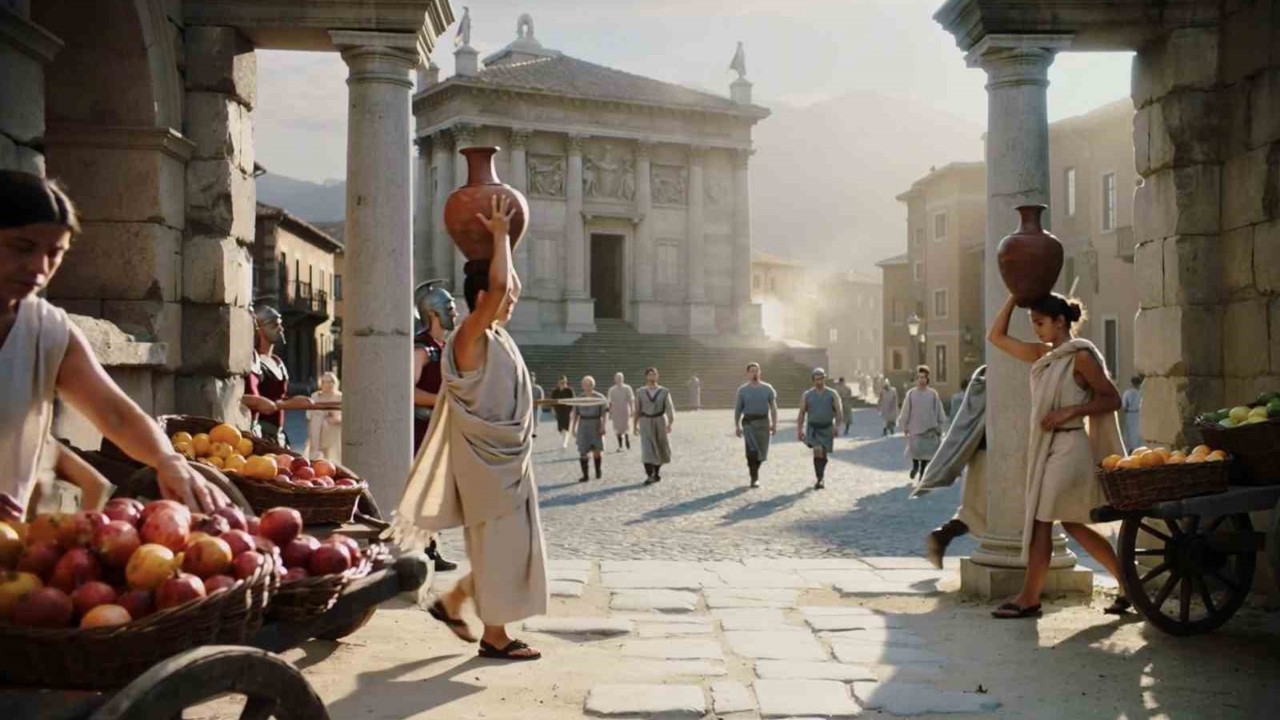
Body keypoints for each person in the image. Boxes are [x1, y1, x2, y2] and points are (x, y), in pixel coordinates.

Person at [0, 170, 223, 520]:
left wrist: (167, 460)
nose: (39, 267)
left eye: (54, 253)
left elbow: (115, 415)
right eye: (22, 247)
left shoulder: (47, 330)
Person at [391, 194, 547, 660]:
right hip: (486, 465)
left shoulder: (496, 336)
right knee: (501, 546)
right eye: (504, 296)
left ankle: (455, 600)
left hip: (507, 460)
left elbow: (505, 284)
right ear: (481, 299)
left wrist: (505, 248)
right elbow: (499, 288)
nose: (512, 299)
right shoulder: (468, 337)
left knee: (510, 547)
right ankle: (494, 637)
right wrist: (499, 236)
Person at [986, 293, 1127, 619]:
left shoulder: (1080, 357)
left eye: (1040, 322)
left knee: (1041, 521)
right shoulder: (1044, 355)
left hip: (1070, 447)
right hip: (1049, 449)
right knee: (1073, 524)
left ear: (1060, 321)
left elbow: (1112, 399)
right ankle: (1127, 583)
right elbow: (996, 337)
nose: (1035, 329)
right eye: (1033, 323)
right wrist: (1014, 296)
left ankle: (1029, 598)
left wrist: (1070, 411)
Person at [914, 366, 988, 568]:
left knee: (975, 513)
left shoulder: (984, 377)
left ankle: (941, 537)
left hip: (985, 454)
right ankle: (941, 537)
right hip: (990, 456)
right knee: (979, 513)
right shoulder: (994, 378)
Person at [241, 304, 314, 446]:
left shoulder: (277, 361)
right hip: (258, 433)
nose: (281, 329)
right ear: (258, 328)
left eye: (280, 324)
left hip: (278, 434)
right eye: (274, 325)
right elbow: (241, 397)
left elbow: (278, 397)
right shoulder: (252, 360)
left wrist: (295, 401)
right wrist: (264, 403)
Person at [412, 280, 458, 452]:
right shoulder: (422, 348)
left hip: (442, 428)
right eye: (449, 309)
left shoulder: (445, 347)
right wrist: (443, 400)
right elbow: (409, 393)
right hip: (423, 431)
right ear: (432, 313)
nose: (455, 313)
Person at [898, 366, 947, 480]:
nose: (921, 380)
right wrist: (905, 425)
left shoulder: (932, 394)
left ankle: (922, 471)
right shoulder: (911, 394)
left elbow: (938, 409)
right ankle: (915, 467)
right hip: (915, 428)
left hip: (929, 428)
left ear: (927, 379)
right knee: (915, 451)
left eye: (924, 377)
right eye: (919, 377)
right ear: (916, 379)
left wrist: (939, 426)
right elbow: (906, 410)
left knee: (926, 453)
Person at [734, 362, 778, 488]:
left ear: (760, 372)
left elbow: (773, 407)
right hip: (748, 422)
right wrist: (737, 425)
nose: (754, 373)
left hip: (763, 423)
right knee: (751, 451)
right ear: (748, 373)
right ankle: (754, 478)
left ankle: (755, 470)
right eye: (752, 371)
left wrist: (774, 424)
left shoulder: (768, 388)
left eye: (756, 370)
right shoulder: (742, 390)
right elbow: (738, 409)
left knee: (761, 453)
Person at [798, 368, 842, 490]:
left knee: (823, 454)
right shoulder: (808, 395)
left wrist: (837, 426)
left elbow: (839, 411)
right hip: (814, 428)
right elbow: (802, 413)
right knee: (817, 451)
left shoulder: (832, 394)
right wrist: (799, 430)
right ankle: (820, 478)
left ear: (824, 378)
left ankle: (822, 470)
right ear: (813, 380)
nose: (819, 381)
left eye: (821, 378)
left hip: (827, 427)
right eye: (816, 379)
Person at [635, 367, 675, 485]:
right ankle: (649, 475)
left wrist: (670, 423)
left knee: (660, 447)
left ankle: (656, 473)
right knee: (647, 449)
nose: (651, 377)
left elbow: (669, 408)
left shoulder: (664, 391)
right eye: (649, 375)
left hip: (659, 421)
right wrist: (634, 425)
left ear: (657, 376)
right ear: (646, 377)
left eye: (654, 375)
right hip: (645, 422)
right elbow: (637, 409)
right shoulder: (640, 392)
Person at [571, 376, 607, 482]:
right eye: (584, 384)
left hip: (595, 424)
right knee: (583, 451)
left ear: (592, 385)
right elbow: (575, 414)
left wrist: (603, 426)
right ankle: (585, 475)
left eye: (588, 384)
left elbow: (604, 414)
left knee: (597, 451)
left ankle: (598, 471)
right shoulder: (579, 398)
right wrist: (573, 428)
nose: (586, 386)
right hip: (583, 426)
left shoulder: (600, 397)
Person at [303, 371, 342, 463]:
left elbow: (343, 416)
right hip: (316, 430)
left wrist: (334, 418)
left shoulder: (340, 397)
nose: (327, 384)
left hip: (333, 429)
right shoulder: (315, 396)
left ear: (335, 383)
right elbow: (308, 416)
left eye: (330, 382)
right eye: (324, 382)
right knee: (316, 419)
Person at [607, 372, 635, 452]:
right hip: (616, 411)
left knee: (626, 427)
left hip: (625, 410)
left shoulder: (627, 388)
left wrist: (632, 409)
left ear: (623, 379)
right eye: (617, 378)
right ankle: (620, 445)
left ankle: (627, 440)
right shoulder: (611, 389)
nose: (619, 380)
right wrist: (610, 412)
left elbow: (631, 400)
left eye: (620, 378)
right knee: (617, 428)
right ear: (615, 379)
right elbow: (609, 402)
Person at [550, 376, 574, 449]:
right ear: (558, 383)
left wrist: (572, 412)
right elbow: (552, 402)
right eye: (561, 382)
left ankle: (564, 443)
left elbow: (573, 401)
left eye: (564, 382)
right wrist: (553, 410)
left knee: (566, 427)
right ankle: (563, 440)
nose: (562, 384)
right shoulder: (555, 391)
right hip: (559, 411)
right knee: (560, 428)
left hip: (567, 411)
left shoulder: (569, 390)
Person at [1121, 375, 1141, 452]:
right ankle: (1136, 448)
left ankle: (1130, 449)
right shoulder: (1141, 393)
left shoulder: (1127, 393)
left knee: (1128, 431)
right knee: (1137, 431)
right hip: (1138, 413)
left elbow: (1124, 406)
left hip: (1129, 413)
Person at [530, 372, 545, 439]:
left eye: (532, 377)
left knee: (535, 421)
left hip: (536, 408)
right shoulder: (525, 387)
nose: (531, 379)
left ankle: (534, 432)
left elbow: (542, 399)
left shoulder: (538, 388)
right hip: (527, 408)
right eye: (530, 377)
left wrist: (538, 403)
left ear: (534, 379)